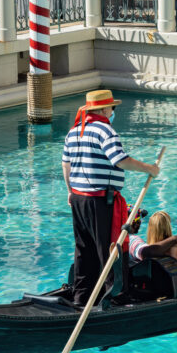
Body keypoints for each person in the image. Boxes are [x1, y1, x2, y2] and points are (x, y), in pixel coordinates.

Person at [62, 89, 161, 308]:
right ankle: (114, 298)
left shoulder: (74, 131)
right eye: (112, 108)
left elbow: (65, 164)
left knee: (84, 249)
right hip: (100, 201)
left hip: (77, 199)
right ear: (105, 109)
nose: (113, 112)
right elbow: (120, 160)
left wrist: (70, 191)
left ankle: (82, 297)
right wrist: (149, 169)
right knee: (110, 249)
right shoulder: (105, 130)